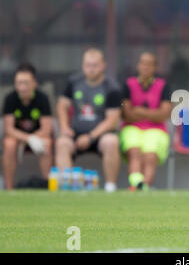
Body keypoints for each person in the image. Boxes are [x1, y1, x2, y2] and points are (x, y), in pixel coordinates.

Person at [55, 48, 122, 192]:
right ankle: (67, 187)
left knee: (111, 142)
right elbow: (62, 106)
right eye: (88, 65)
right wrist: (65, 127)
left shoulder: (112, 88)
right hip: (75, 134)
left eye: (95, 65)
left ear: (103, 65)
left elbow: (112, 120)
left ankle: (110, 187)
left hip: (100, 136)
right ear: (83, 65)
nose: (91, 69)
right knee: (62, 143)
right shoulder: (73, 82)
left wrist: (90, 137)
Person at [120, 52, 172, 190]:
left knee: (150, 156)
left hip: (156, 130)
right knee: (134, 152)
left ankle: (144, 187)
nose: (146, 67)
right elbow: (127, 114)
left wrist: (140, 111)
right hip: (131, 128)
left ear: (155, 67)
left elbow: (164, 114)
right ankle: (136, 184)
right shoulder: (128, 85)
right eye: (143, 63)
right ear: (138, 65)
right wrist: (153, 114)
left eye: (149, 64)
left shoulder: (163, 86)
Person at [2, 63, 53, 190]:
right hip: (17, 138)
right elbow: (9, 129)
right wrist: (28, 139)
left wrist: (34, 138)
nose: (22, 87)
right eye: (18, 83)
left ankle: (48, 186)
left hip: (39, 136)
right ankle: (9, 188)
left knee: (47, 143)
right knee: (9, 144)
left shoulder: (43, 98)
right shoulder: (10, 99)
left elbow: (46, 129)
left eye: (25, 83)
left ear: (34, 83)